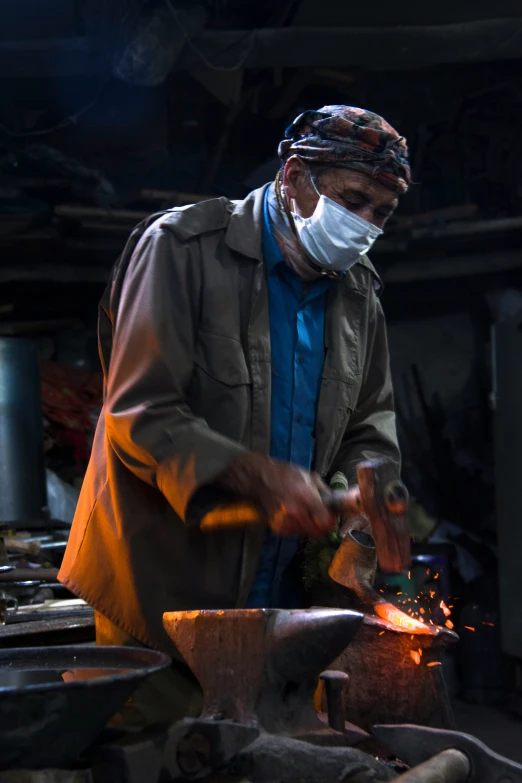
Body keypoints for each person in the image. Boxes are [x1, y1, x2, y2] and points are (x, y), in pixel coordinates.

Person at [59, 105, 411, 724]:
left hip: (284, 613)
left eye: (380, 214)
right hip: (162, 603)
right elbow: (140, 413)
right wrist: (258, 476)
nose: (364, 227)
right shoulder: (180, 249)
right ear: (296, 177)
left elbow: (370, 425)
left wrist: (353, 501)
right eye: (353, 201)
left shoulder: (358, 291)